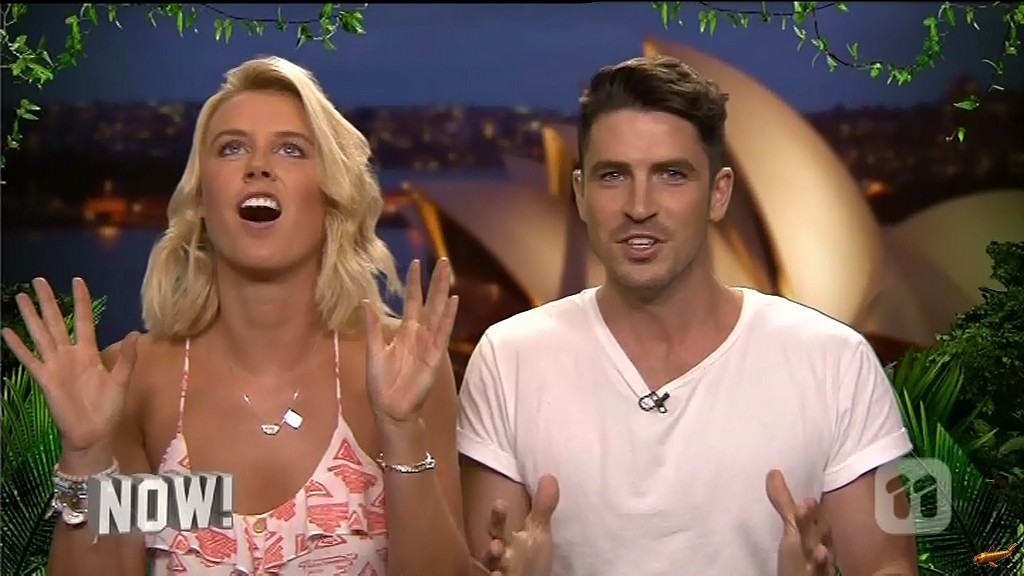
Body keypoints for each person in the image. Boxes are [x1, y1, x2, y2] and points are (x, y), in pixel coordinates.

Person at [3, 56, 471, 576]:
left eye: (291, 149)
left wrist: (401, 429)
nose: (258, 166)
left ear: (330, 197)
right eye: (231, 148)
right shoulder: (143, 383)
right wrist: (87, 454)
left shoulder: (400, 370)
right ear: (202, 199)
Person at [457, 56, 921, 576]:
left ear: (718, 195)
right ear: (582, 194)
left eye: (671, 175)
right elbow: (488, 561)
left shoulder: (834, 360)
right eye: (614, 176)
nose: (639, 206)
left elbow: (888, 567)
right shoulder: (509, 359)